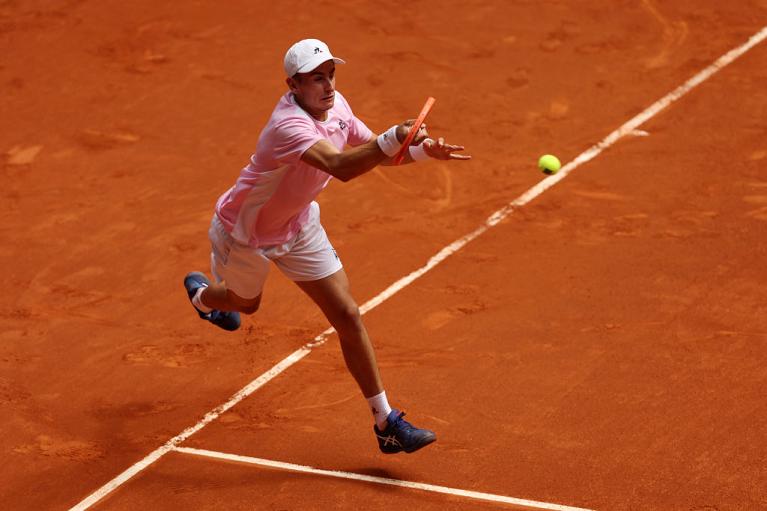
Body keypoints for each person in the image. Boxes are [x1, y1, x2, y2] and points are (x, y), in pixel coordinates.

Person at [184, 38, 470, 454]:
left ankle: (385, 422)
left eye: (331, 74)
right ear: (293, 85)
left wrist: (424, 152)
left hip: (298, 227)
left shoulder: (338, 107)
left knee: (347, 313)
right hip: (244, 234)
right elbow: (341, 167)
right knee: (245, 304)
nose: (328, 85)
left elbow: (376, 153)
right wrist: (394, 135)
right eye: (317, 78)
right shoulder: (287, 125)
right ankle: (203, 298)